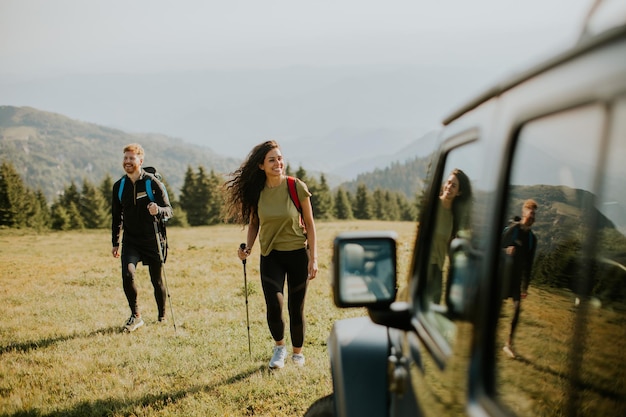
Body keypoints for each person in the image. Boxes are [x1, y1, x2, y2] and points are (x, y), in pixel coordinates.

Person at [223, 140, 318, 369]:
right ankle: (279, 348)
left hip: (297, 254)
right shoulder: (258, 193)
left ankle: (297, 354)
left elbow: (311, 225)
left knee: (296, 308)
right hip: (271, 255)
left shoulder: (296, 187)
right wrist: (248, 247)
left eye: (280, 158)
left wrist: (313, 258)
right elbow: (254, 223)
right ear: (261, 166)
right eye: (272, 160)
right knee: (274, 305)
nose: (278, 163)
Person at [111, 143, 173, 332]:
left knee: (157, 280)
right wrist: (115, 242)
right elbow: (116, 216)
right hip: (131, 241)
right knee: (127, 274)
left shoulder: (152, 183)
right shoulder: (119, 186)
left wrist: (158, 210)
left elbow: (169, 210)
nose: (127, 162)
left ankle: (162, 316)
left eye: (131, 158)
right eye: (125, 158)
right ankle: (136, 316)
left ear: (140, 161)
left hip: (153, 239)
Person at [428, 168, 472, 304]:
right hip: (425, 266)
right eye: (448, 183)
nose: (449, 187)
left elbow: (451, 246)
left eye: (454, 186)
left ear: (459, 192)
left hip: (438, 270)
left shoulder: (454, 218)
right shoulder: (432, 205)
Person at [501, 199, 538, 358]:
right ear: (524, 213)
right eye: (530, 214)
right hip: (503, 277)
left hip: (516, 281)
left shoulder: (532, 239)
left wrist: (525, 287)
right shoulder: (513, 230)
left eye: (534, 215)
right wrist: (506, 250)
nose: (532, 217)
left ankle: (508, 344)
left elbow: (529, 265)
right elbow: (498, 246)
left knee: (517, 310)